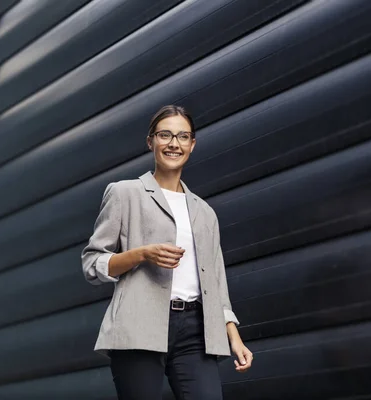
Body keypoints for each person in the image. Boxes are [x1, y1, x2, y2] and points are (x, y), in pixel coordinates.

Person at [81, 105, 253, 400]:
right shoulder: (125, 193)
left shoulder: (204, 211)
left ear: (192, 145)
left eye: (183, 136)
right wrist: (142, 254)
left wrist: (233, 335)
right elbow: (92, 262)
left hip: (195, 329)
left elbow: (215, 280)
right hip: (139, 325)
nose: (174, 143)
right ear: (151, 141)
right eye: (165, 135)